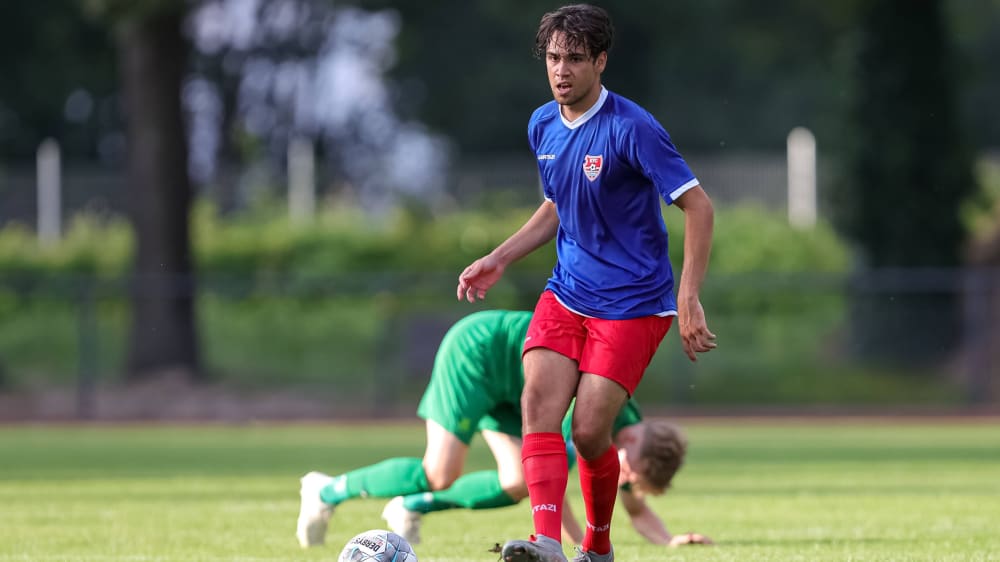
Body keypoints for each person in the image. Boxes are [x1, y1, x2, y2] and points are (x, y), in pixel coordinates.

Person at [455, 5, 717, 562]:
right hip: (567, 292)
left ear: (600, 61)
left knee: (592, 435)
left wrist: (688, 294)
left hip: (633, 305)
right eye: (553, 58)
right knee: (537, 410)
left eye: (575, 58)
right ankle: (547, 541)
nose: (561, 70)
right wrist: (499, 257)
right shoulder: (541, 124)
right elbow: (557, 202)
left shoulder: (633, 128)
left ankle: (596, 547)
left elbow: (699, 206)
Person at [295, 310, 712, 551]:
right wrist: (573, 551)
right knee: (441, 472)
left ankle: (409, 507)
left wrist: (670, 541)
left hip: (519, 389)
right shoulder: (593, 415)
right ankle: (325, 491)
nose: (625, 480)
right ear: (635, 439)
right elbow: (553, 490)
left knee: (515, 480)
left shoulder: (621, 438)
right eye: (631, 474)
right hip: (480, 353)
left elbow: (634, 507)